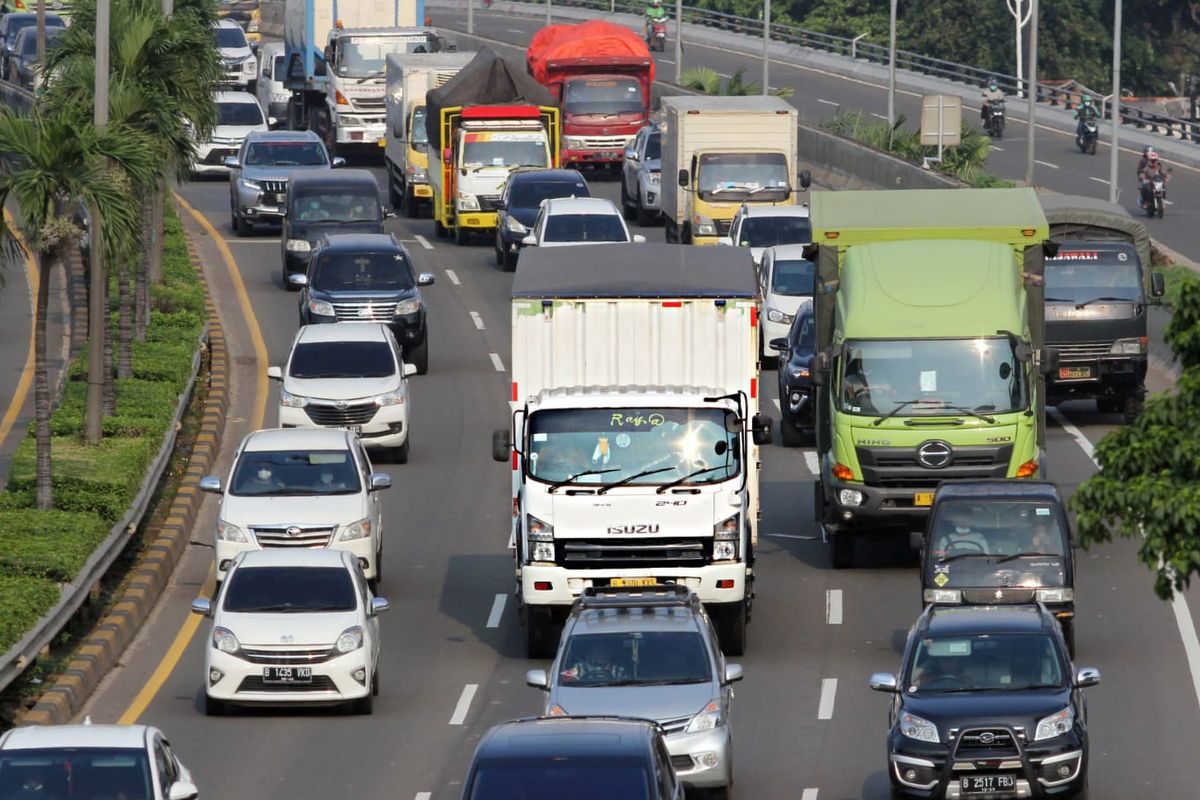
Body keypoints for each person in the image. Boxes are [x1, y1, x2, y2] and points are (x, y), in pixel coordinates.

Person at [564, 639, 628, 683]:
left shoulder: (618, 670)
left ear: (610, 654)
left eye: (606, 652)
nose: (603, 654)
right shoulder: (580, 667)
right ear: (592, 653)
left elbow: (625, 686)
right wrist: (573, 679)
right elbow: (565, 677)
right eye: (599, 651)